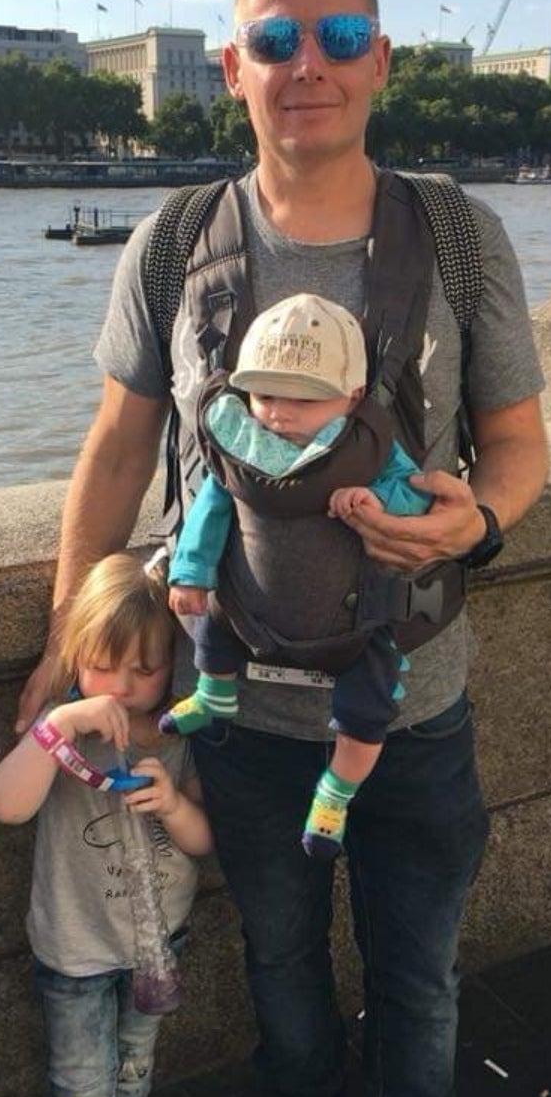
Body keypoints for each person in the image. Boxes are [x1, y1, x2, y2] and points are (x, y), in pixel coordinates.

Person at [17, 0, 549, 1097]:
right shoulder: (175, 237)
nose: (306, 62)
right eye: (274, 39)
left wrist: (473, 520)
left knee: (421, 970)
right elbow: (119, 449)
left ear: (383, 63)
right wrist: (55, 640)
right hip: (236, 712)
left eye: (338, 36)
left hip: (414, 694)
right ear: (234, 67)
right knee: (279, 967)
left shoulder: (462, 234)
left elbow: (522, 442)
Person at [0, 551, 212, 1097]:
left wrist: (173, 804)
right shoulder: (63, 737)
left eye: (143, 669)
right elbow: (6, 804)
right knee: (80, 1086)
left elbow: (206, 840)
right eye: (103, 666)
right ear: (76, 659)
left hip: (156, 942)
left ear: (173, 664)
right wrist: (57, 724)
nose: (121, 686)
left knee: (132, 1070)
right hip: (75, 949)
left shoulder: (182, 736)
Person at [158, 290, 433, 861]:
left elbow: (416, 507)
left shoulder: (370, 450)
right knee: (210, 619)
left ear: (352, 396)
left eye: (304, 400)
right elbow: (211, 509)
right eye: (263, 395)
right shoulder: (238, 443)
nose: (280, 412)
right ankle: (216, 694)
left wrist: (377, 506)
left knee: (368, 711)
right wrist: (190, 572)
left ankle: (336, 793)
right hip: (249, 607)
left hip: (353, 623)